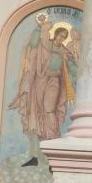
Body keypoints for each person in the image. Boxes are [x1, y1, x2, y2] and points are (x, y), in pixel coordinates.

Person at [9, 12, 77, 166]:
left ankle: (53, 152)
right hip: (40, 80)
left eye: (64, 37)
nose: (60, 39)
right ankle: (35, 156)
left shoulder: (64, 52)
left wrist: (76, 68)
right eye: (59, 35)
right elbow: (33, 44)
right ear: (54, 34)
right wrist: (39, 28)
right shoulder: (44, 45)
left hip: (54, 81)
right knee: (36, 113)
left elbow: (72, 68)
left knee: (49, 110)